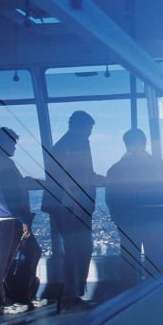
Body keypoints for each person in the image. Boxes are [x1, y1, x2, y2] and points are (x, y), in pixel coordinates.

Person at [42, 111, 104, 307]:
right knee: (80, 250)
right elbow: (77, 175)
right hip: (72, 205)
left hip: (62, 204)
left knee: (73, 251)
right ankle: (73, 295)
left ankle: (72, 295)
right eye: (90, 128)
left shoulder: (62, 143)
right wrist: (79, 202)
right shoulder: (78, 141)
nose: (91, 133)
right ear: (84, 126)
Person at [0, 127, 43, 314]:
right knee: (7, 260)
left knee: (31, 252)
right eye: (12, 143)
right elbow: (10, 195)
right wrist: (23, 218)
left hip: (11, 217)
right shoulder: (0, 163)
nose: (14, 148)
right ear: (4, 143)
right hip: (9, 217)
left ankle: (25, 295)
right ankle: (6, 302)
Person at [106, 128, 163, 276]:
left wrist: (118, 220)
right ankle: (156, 294)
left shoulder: (115, 169)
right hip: (154, 220)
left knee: (129, 262)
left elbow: (110, 198)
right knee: (156, 262)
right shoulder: (155, 163)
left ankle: (129, 293)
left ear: (126, 145)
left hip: (128, 222)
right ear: (144, 144)